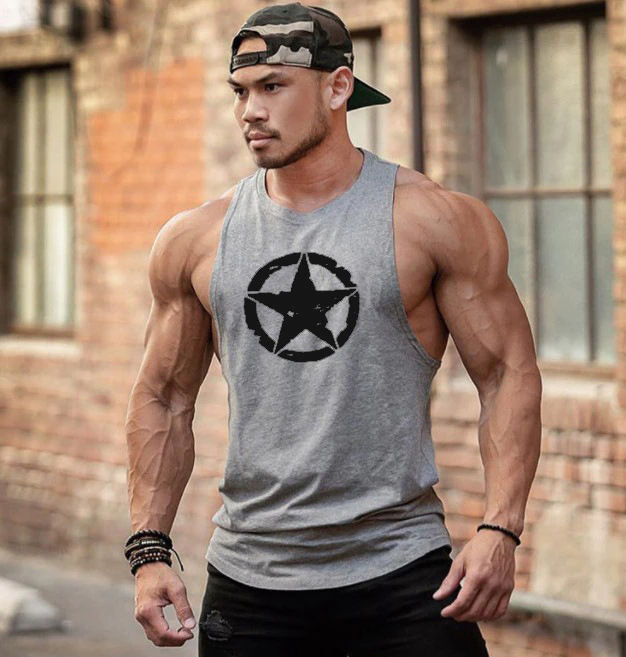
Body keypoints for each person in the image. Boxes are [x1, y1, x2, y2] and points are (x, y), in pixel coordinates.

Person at [124, 2, 542, 655]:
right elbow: (164, 396)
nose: (250, 111)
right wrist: (149, 549)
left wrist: (501, 527)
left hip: (403, 575)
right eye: (240, 91)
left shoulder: (432, 220)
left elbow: (507, 373)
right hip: (251, 582)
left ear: (338, 87)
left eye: (273, 86)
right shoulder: (196, 239)